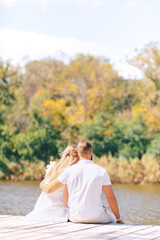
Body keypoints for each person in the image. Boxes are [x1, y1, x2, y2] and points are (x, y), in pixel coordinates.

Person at [40, 140, 123, 224]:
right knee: (113, 218)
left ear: (78, 154)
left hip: (74, 217)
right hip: (97, 217)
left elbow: (54, 192)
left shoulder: (69, 171)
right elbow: (111, 198)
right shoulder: (102, 171)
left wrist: (42, 183)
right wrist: (118, 219)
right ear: (90, 152)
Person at [26, 144, 79, 222]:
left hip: (40, 207)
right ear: (75, 159)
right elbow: (65, 198)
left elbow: (44, 183)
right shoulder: (69, 172)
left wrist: (41, 184)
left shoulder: (53, 167)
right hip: (54, 210)